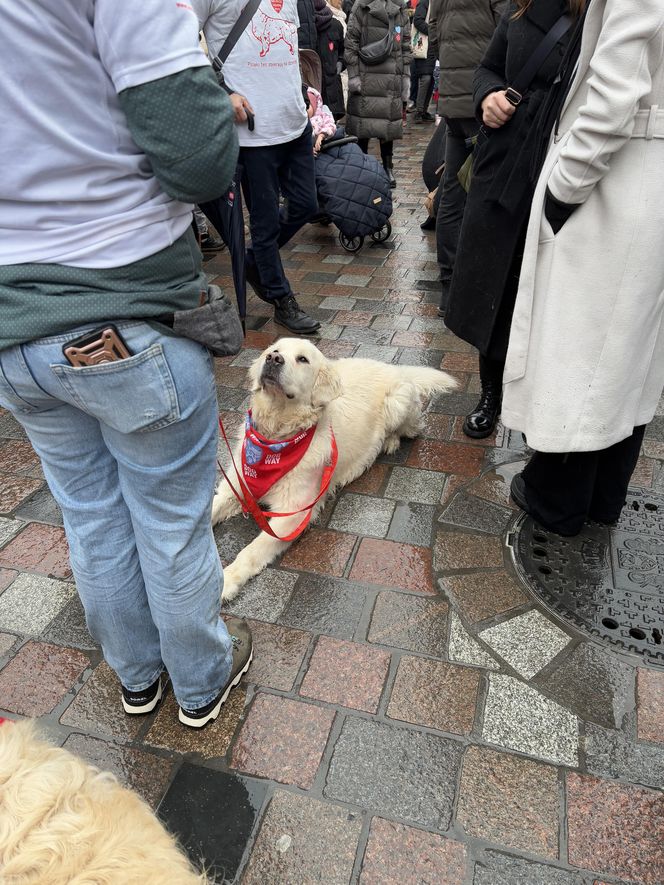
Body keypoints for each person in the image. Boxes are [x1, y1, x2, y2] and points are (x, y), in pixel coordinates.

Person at [0, 0, 252, 728]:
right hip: (122, 300)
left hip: (14, 329)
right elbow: (199, 154)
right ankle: (201, 683)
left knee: (90, 514)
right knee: (169, 521)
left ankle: (137, 677)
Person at [502, 0, 664, 536]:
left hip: (617, 181)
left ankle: (558, 500)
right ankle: (601, 498)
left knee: (580, 346)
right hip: (649, 180)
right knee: (629, 353)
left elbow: (615, 94)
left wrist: (562, 189)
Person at [445, 0, 580, 439]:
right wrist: (488, 97)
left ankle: (537, 398)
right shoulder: (518, 11)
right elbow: (486, 69)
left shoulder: (597, 14)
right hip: (501, 165)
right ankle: (491, 394)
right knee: (492, 283)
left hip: (560, 167)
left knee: (543, 285)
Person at [193, 0, 321, 335]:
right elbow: (178, 49)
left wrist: (302, 89)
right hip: (252, 131)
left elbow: (289, 46)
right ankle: (281, 299)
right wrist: (222, 92)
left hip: (293, 122)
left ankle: (254, 261)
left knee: (306, 204)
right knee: (265, 225)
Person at [428, 0, 508, 315]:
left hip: (453, 101)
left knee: (452, 196)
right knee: (485, 194)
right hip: (484, 99)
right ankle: (479, 286)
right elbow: (510, 29)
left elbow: (434, 34)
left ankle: (450, 288)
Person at [344, 0, 412, 188]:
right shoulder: (361, 5)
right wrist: (354, 76)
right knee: (363, 125)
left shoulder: (399, 7)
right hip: (366, 75)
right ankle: (361, 167)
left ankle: (387, 167)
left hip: (391, 76)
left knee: (387, 123)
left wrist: (405, 74)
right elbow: (351, 42)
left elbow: (405, 42)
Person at [317, 0, 347, 120]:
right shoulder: (304, 25)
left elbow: (343, 50)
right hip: (315, 90)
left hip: (333, 87)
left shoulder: (336, 25)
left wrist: (340, 63)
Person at [411, 0, 435, 123]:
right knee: (425, 78)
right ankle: (419, 111)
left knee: (431, 79)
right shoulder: (425, 2)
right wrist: (433, 31)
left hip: (432, 47)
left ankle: (424, 110)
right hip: (424, 46)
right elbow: (418, 21)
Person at [307, 86, 338, 151]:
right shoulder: (299, 121)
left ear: (314, 106)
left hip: (324, 144)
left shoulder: (322, 115)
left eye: (307, 105)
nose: (304, 109)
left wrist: (322, 135)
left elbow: (331, 125)